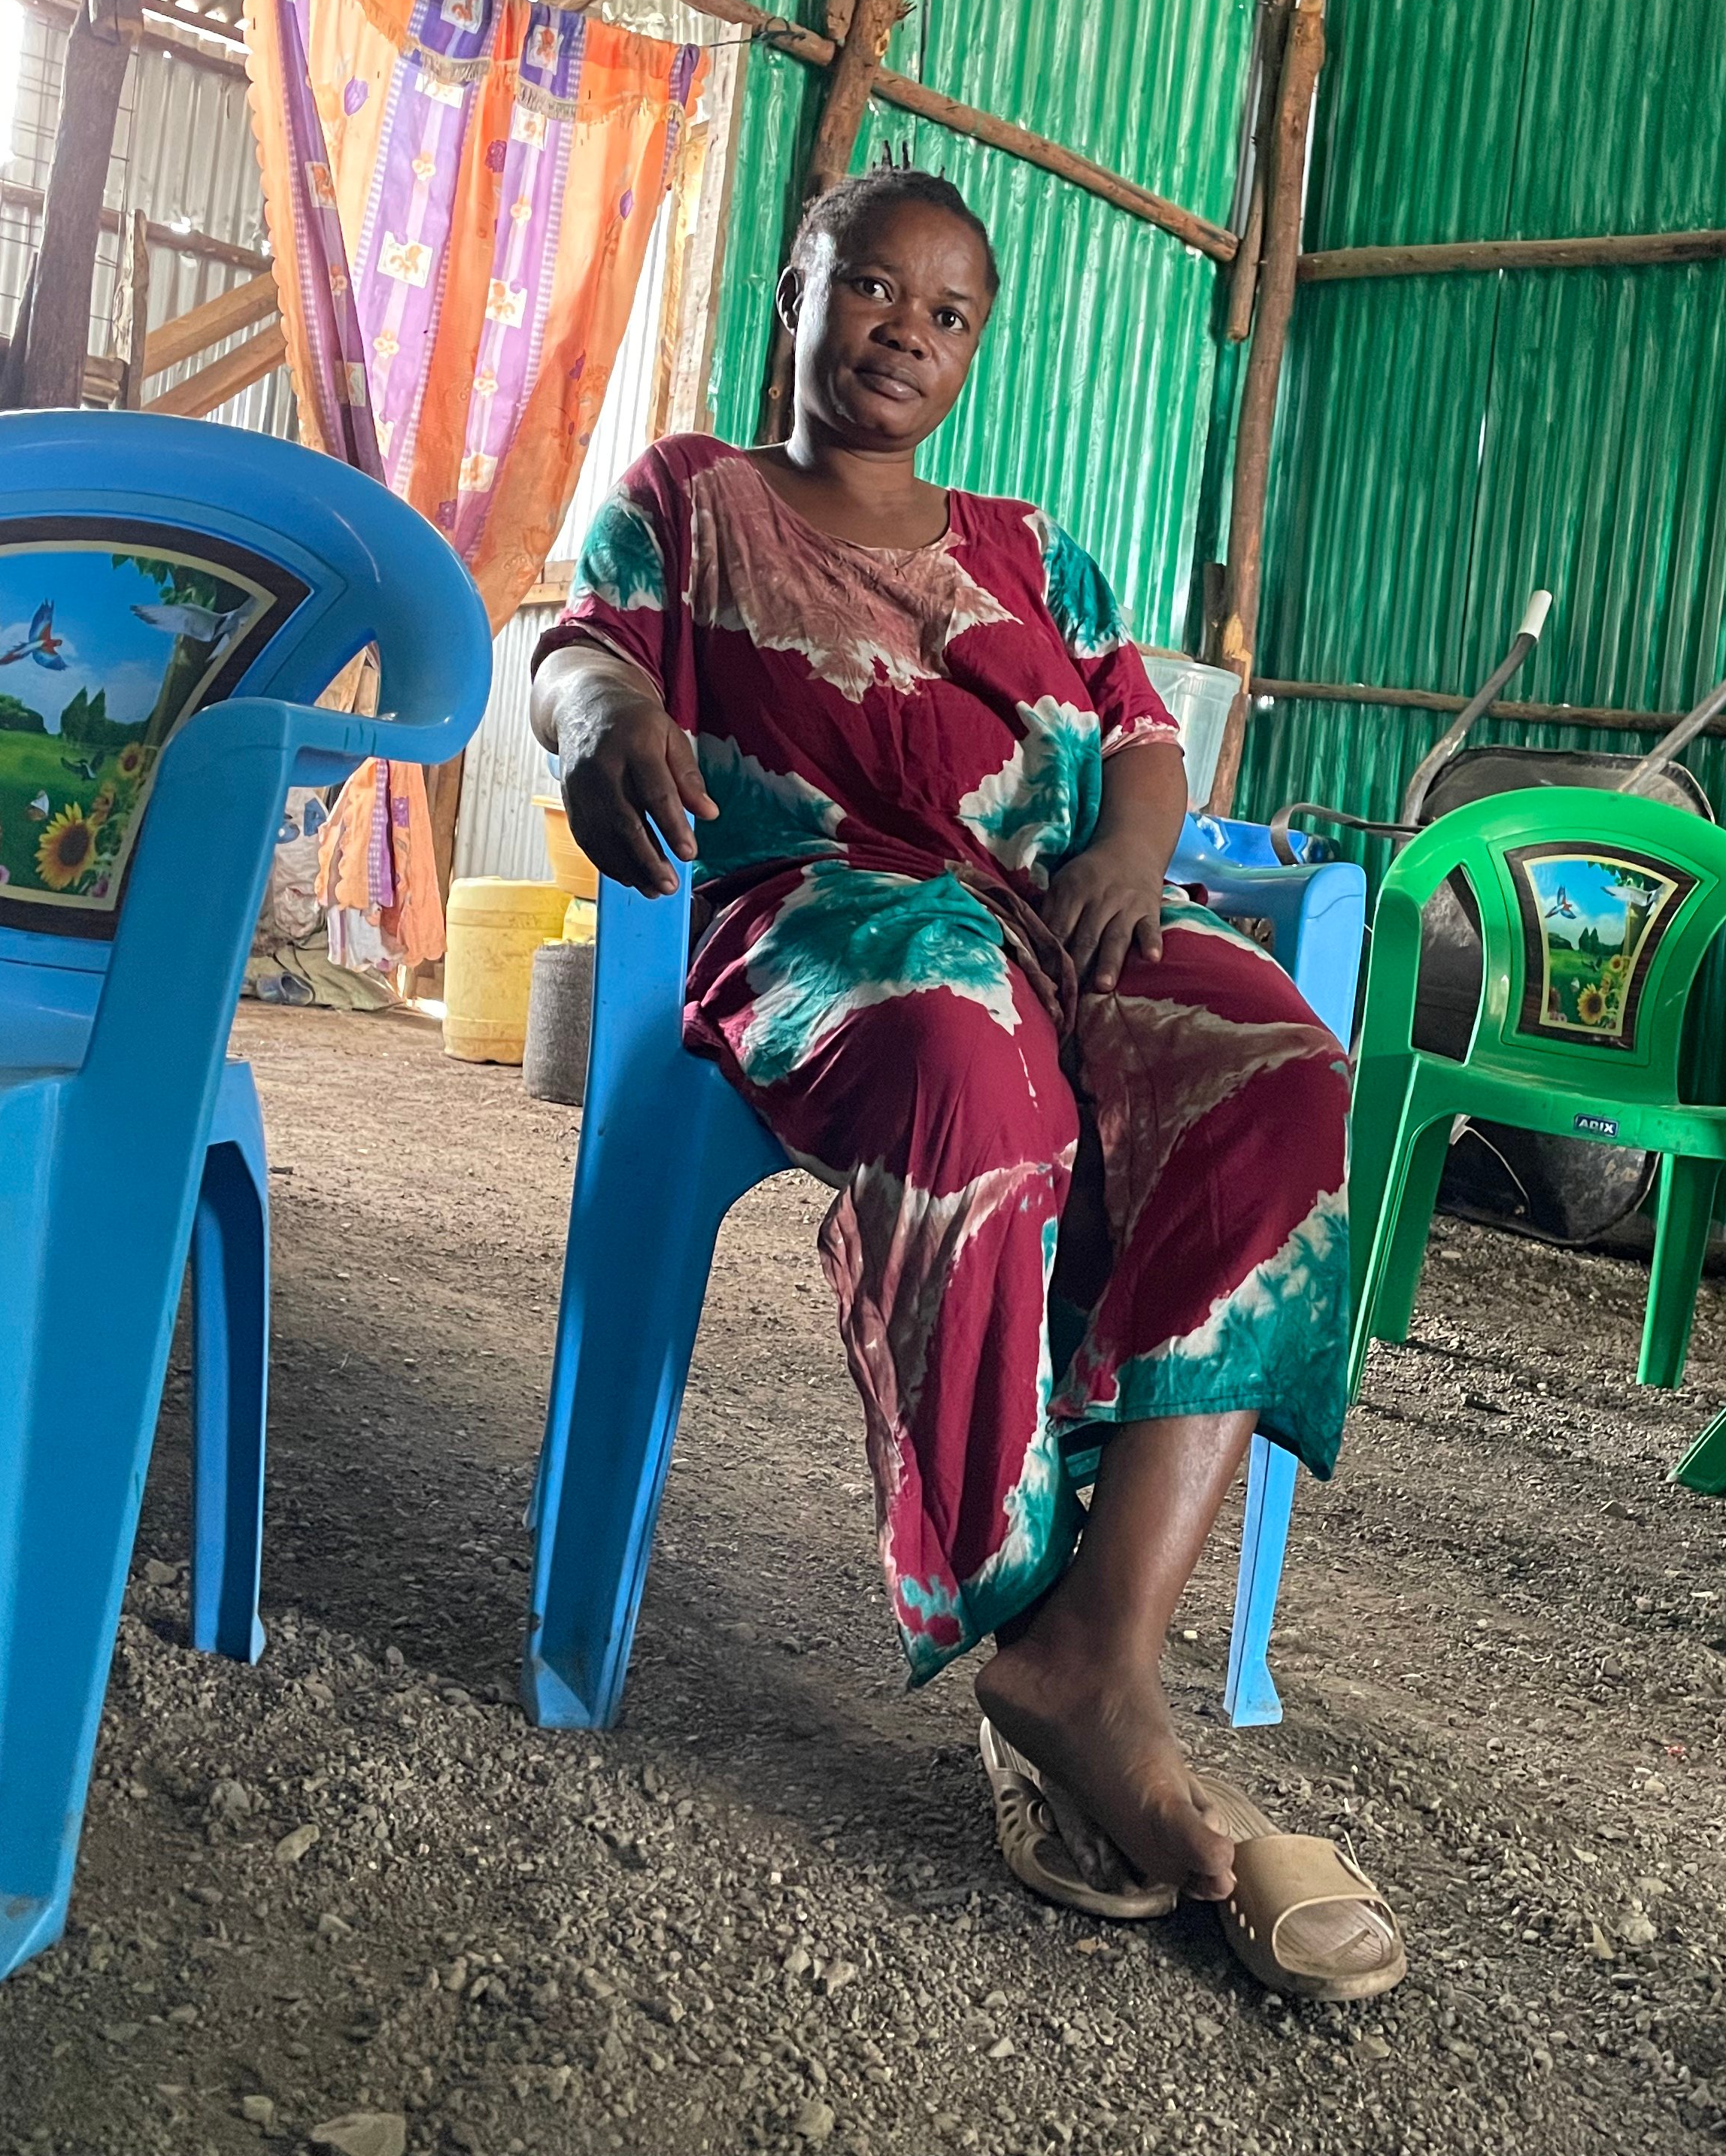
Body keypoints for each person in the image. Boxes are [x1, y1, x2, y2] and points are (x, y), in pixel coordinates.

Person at [530, 165, 1399, 1995]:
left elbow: (1145, 741)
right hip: (836, 917)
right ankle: (1031, 1612)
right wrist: (607, 721)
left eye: (948, 316)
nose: (906, 337)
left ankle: (1098, 1645)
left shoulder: (1030, 545)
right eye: (873, 293)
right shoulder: (695, 495)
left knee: (1283, 1072)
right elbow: (581, 655)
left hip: (1058, 907)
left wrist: (1129, 861)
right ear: (798, 292)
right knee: (967, 1065)